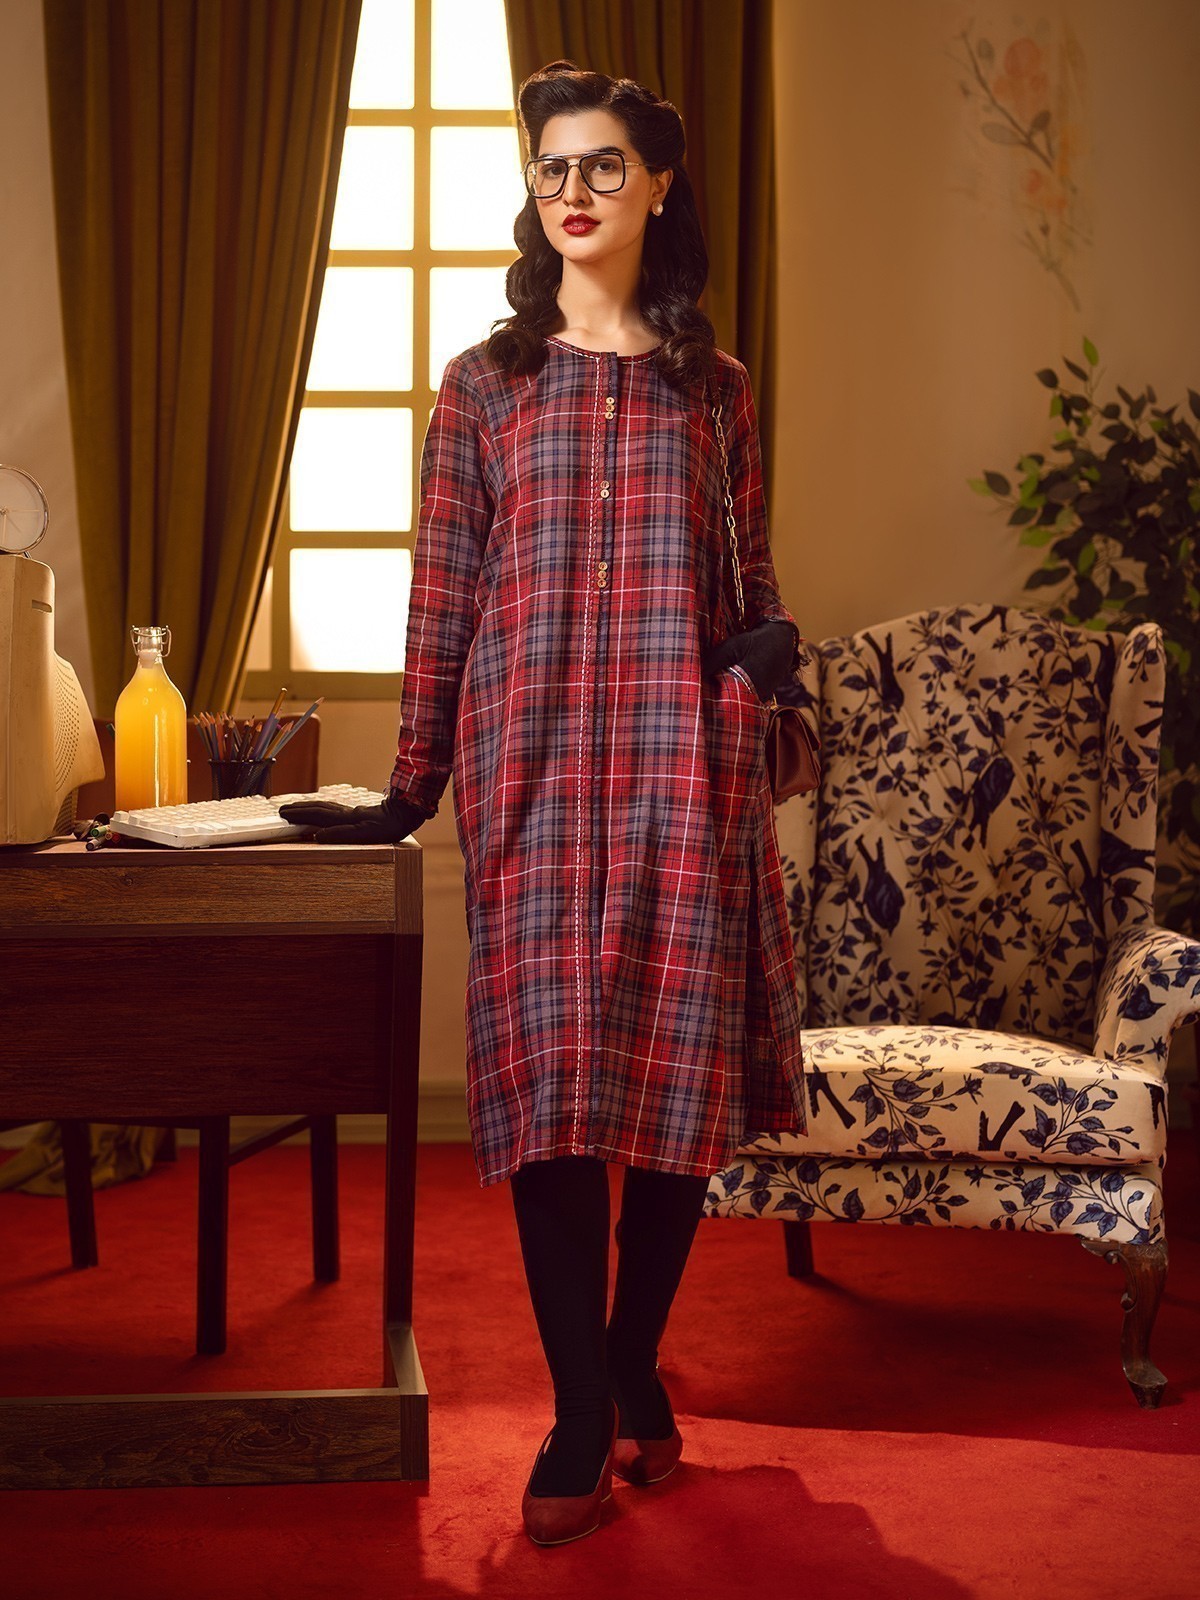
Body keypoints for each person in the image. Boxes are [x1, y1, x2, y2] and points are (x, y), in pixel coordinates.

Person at [280, 59, 808, 1547]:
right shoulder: (484, 386)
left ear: (658, 185)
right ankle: (586, 1406)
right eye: (552, 167)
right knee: (551, 1097)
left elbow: (752, 582)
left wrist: (763, 674)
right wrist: (411, 785)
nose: (573, 190)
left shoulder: (717, 390)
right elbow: (442, 595)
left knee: (676, 1098)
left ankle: (632, 1361)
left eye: (602, 165)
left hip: (683, 774)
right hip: (530, 781)